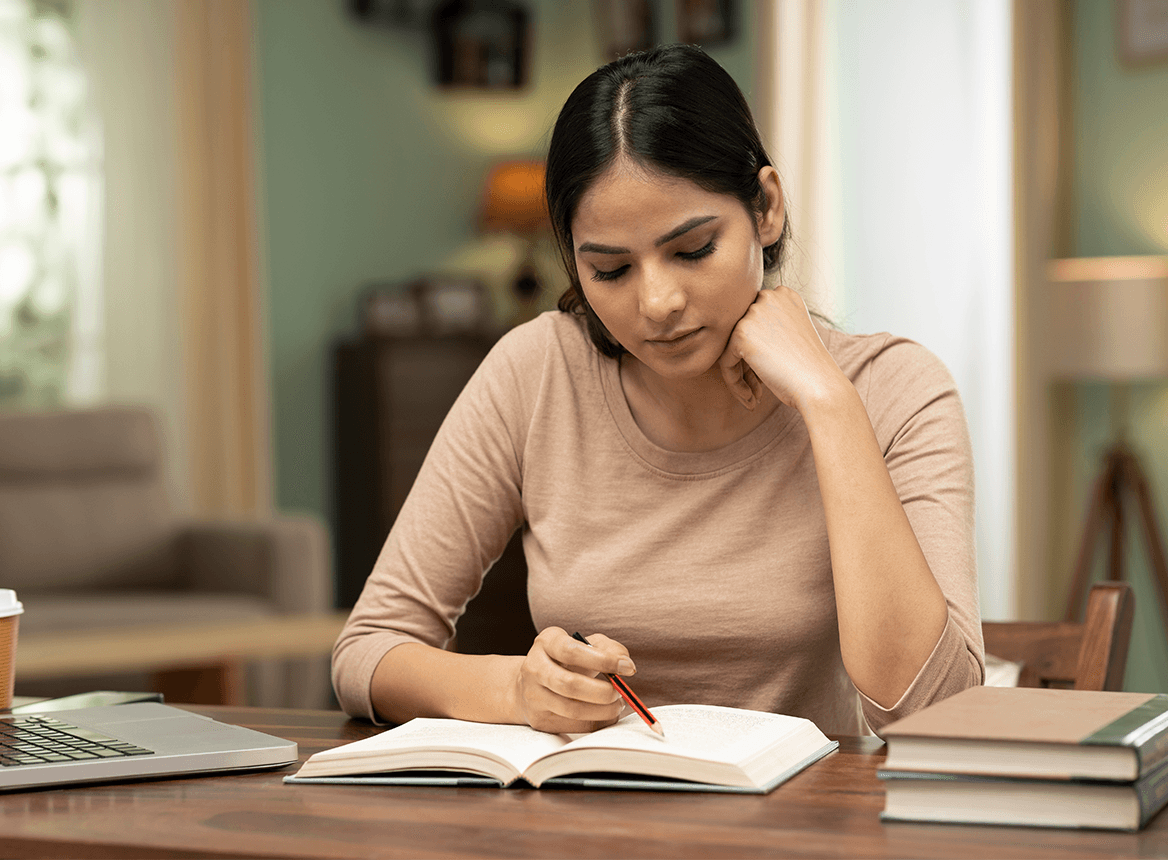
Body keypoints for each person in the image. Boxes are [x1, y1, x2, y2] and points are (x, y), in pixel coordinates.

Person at [333, 44, 984, 737]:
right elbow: (366, 652)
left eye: (693, 250)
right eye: (611, 270)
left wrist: (828, 403)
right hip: (591, 827)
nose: (658, 302)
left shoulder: (896, 390)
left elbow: (937, 710)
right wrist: (518, 691)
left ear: (765, 209)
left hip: (801, 831)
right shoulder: (536, 371)